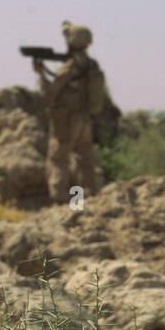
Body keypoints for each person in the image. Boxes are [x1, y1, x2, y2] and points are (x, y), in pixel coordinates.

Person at [34, 21, 106, 203]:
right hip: (85, 119)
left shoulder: (70, 66)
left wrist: (40, 74)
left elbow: (50, 93)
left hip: (66, 119)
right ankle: (87, 198)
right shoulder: (91, 64)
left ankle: (60, 201)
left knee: (59, 159)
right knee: (85, 160)